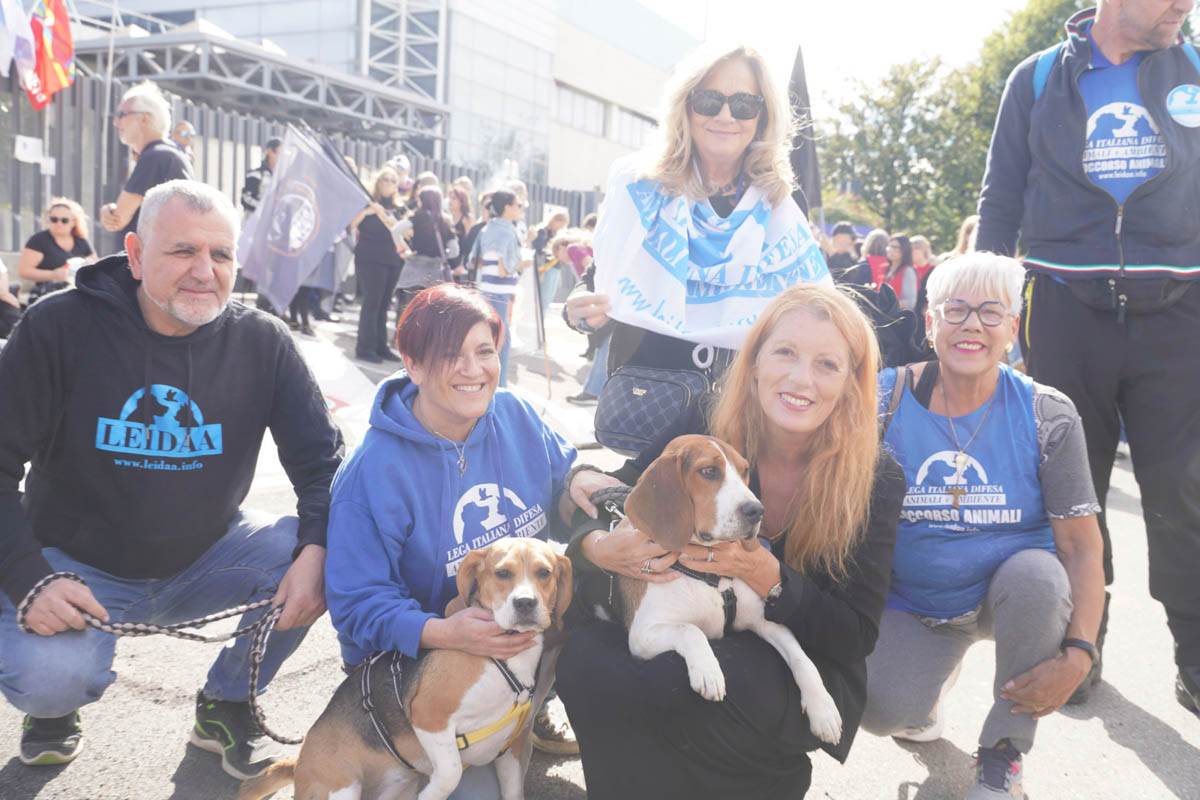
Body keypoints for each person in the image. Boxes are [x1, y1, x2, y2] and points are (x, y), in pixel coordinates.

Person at [0, 180, 343, 778]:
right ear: (134, 255)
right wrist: (30, 578)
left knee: (329, 557)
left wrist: (317, 547)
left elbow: (322, 464)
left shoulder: (261, 340)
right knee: (48, 677)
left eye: (221, 255)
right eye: (182, 251)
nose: (204, 271)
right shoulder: (58, 326)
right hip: (75, 569)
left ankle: (227, 703)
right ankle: (53, 712)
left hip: (211, 554)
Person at [556, 284, 905, 800]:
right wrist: (596, 546)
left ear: (852, 384)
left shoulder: (875, 478)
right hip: (692, 620)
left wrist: (770, 577)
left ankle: (769, 782)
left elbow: (854, 634)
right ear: (755, 360)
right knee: (586, 656)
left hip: (797, 651)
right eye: (785, 352)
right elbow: (622, 490)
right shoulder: (706, 425)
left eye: (827, 364)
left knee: (671, 681)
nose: (800, 377)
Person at [975, 0, 1200, 712]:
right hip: (1066, 310)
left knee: (1183, 494)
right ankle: (1083, 644)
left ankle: (1195, 658)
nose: (1186, 5)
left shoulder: (1195, 66)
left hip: (1181, 313)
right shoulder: (1037, 78)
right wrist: (982, 305)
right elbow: (1000, 195)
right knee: (1074, 492)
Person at [325, 284, 612, 791]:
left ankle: (531, 709)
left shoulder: (516, 414)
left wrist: (580, 480)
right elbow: (355, 606)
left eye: (484, 352)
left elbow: (562, 483)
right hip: (425, 664)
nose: (474, 369)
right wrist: (444, 632)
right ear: (413, 365)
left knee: (611, 624)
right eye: (450, 356)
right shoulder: (371, 472)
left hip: (513, 626)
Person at [863, 252, 1105, 798]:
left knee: (1040, 578)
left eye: (992, 312)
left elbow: (1082, 550)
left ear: (1012, 330)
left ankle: (1003, 755)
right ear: (930, 324)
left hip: (1013, 596)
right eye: (956, 310)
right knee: (880, 710)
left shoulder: (1048, 415)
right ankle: (927, 693)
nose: (973, 324)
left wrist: (1079, 653)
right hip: (917, 603)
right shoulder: (883, 398)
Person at [564, 44, 831, 393]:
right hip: (652, 393)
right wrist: (578, 311)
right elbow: (601, 277)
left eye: (744, 104)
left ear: (762, 117)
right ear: (685, 107)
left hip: (744, 400)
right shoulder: (643, 186)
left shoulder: (782, 199)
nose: (725, 116)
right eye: (708, 100)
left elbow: (804, 302)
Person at [100, 82, 194, 244]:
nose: (115, 122)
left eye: (121, 114)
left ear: (144, 118)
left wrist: (106, 210)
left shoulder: (155, 156)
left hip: (151, 263)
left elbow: (117, 220)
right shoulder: (168, 154)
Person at [467, 191, 530, 387]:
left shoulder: (488, 228)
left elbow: (475, 261)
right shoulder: (505, 230)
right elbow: (504, 269)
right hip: (499, 292)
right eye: (518, 205)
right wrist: (524, 263)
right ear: (507, 207)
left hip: (487, 289)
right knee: (501, 340)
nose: (520, 209)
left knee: (492, 337)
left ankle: (490, 384)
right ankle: (497, 387)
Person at [351, 165, 408, 364]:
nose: (389, 184)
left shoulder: (400, 207)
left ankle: (380, 346)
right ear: (378, 182)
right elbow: (351, 225)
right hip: (370, 258)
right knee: (372, 302)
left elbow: (406, 232)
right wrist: (368, 211)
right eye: (385, 179)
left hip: (392, 259)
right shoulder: (367, 203)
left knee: (384, 304)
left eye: (393, 180)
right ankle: (365, 347)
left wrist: (386, 216)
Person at [395, 185, 457, 317]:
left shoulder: (417, 217)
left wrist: (401, 249)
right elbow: (455, 251)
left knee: (408, 313)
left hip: (413, 272)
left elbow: (396, 230)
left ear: (421, 200)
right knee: (429, 316)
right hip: (435, 275)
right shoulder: (446, 221)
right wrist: (443, 255)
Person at [18, 199, 96, 304]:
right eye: (54, 219)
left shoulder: (81, 241)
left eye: (64, 220)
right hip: (46, 293)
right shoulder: (39, 240)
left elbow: (96, 264)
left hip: (78, 289)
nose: (59, 223)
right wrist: (53, 275)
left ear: (73, 221)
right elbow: (24, 271)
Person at [240, 137, 284, 315]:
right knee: (257, 268)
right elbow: (245, 199)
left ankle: (269, 305)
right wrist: (266, 209)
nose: (283, 156)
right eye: (280, 151)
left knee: (273, 269)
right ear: (270, 151)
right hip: (256, 230)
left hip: (276, 233)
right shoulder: (256, 173)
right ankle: (257, 308)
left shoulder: (282, 177)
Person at [882, 235, 918, 311]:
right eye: (889, 246)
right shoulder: (886, 269)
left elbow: (911, 302)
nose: (890, 249)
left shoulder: (908, 271)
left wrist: (888, 305)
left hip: (898, 318)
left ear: (904, 250)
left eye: (895, 247)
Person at [447, 184, 475, 280]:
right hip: (448, 262)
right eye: (449, 198)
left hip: (460, 265)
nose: (450, 201)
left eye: (454, 198)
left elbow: (470, 243)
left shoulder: (467, 219)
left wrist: (463, 264)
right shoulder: (447, 218)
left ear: (462, 201)